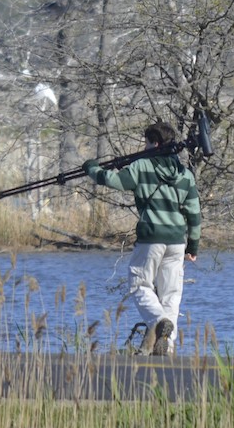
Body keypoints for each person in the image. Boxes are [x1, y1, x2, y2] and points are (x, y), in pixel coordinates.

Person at [84, 122, 201, 356]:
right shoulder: (185, 173)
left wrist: (92, 169)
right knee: (171, 294)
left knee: (139, 284)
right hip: (177, 241)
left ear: (154, 143)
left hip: (151, 237)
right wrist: (193, 245)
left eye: (147, 142)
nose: (144, 146)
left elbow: (115, 181)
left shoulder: (142, 166)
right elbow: (195, 214)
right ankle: (168, 346)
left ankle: (159, 324)